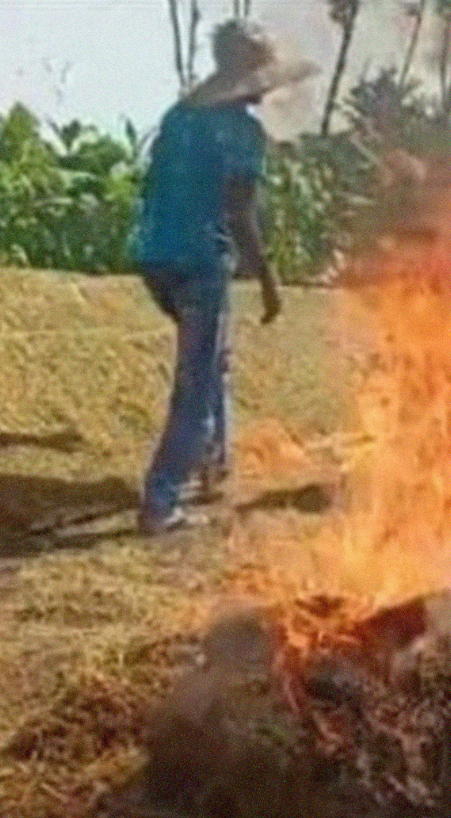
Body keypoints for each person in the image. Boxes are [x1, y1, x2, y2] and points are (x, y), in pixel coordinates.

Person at [132, 20, 318, 535]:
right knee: (196, 379)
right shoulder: (241, 132)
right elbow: (240, 211)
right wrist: (268, 276)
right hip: (199, 262)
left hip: (154, 255)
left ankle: (214, 464)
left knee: (213, 358)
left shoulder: (177, 118)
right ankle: (161, 499)